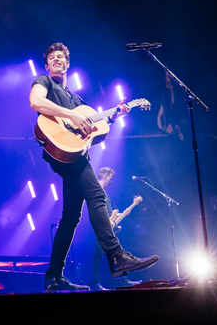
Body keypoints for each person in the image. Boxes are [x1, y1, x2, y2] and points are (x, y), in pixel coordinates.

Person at [29, 42, 159, 292]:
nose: (57, 59)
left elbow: (93, 126)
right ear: (47, 65)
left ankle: (54, 277)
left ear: (68, 64)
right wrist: (70, 116)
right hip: (61, 151)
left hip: (73, 153)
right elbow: (36, 103)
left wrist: (115, 115)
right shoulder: (44, 81)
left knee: (70, 218)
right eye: (52, 57)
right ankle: (116, 255)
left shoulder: (76, 99)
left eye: (61, 57)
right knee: (97, 195)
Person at [90, 167, 142, 291]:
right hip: (100, 229)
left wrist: (122, 214)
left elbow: (109, 213)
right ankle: (96, 284)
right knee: (98, 256)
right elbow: (96, 212)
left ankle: (122, 280)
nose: (111, 181)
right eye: (110, 178)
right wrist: (109, 221)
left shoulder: (105, 194)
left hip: (108, 229)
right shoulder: (96, 191)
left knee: (116, 255)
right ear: (105, 177)